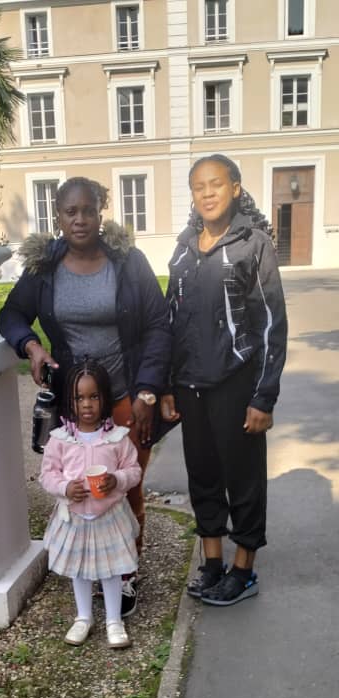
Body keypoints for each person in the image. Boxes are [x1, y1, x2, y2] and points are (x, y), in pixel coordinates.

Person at [0, 176, 171, 618]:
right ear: (58, 216)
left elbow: (157, 324)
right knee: (79, 486)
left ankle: (125, 572)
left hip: (126, 395)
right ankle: (88, 565)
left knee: (126, 486)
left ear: (100, 212)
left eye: (88, 210)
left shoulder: (128, 262)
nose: (80, 219)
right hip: (75, 403)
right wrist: (31, 346)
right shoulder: (44, 267)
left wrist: (148, 390)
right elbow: (11, 312)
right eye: (70, 211)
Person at [162, 154, 288, 606]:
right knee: (204, 476)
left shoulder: (254, 244)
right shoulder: (183, 248)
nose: (207, 193)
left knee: (244, 478)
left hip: (237, 384)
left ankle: (244, 570)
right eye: (199, 187)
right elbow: (170, 319)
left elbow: (272, 324)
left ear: (235, 188)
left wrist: (264, 397)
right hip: (191, 386)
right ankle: (213, 563)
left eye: (216, 184)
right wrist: (168, 385)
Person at [39, 359, 141, 648]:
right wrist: (64, 488)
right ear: (69, 401)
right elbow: (47, 474)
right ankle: (83, 617)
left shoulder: (117, 438)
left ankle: (114, 620)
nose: (86, 404)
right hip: (74, 517)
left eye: (93, 396)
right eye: (79, 397)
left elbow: (134, 470)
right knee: (79, 569)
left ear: (105, 397)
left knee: (111, 569)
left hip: (109, 516)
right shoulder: (60, 439)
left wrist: (117, 480)